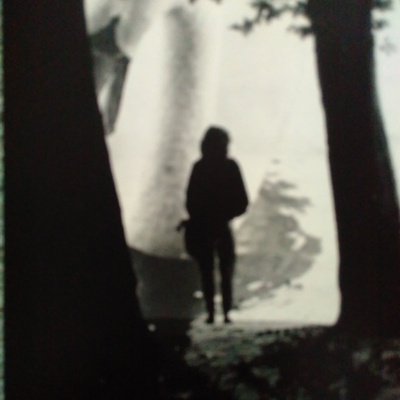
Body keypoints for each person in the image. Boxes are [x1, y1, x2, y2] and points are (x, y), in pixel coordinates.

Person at [185, 126, 248, 324]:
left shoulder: (199, 167)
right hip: (223, 224)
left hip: (203, 226)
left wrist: (200, 216)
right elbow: (242, 202)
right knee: (226, 269)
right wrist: (226, 214)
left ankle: (211, 313)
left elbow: (190, 200)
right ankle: (226, 313)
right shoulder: (231, 166)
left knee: (207, 271)